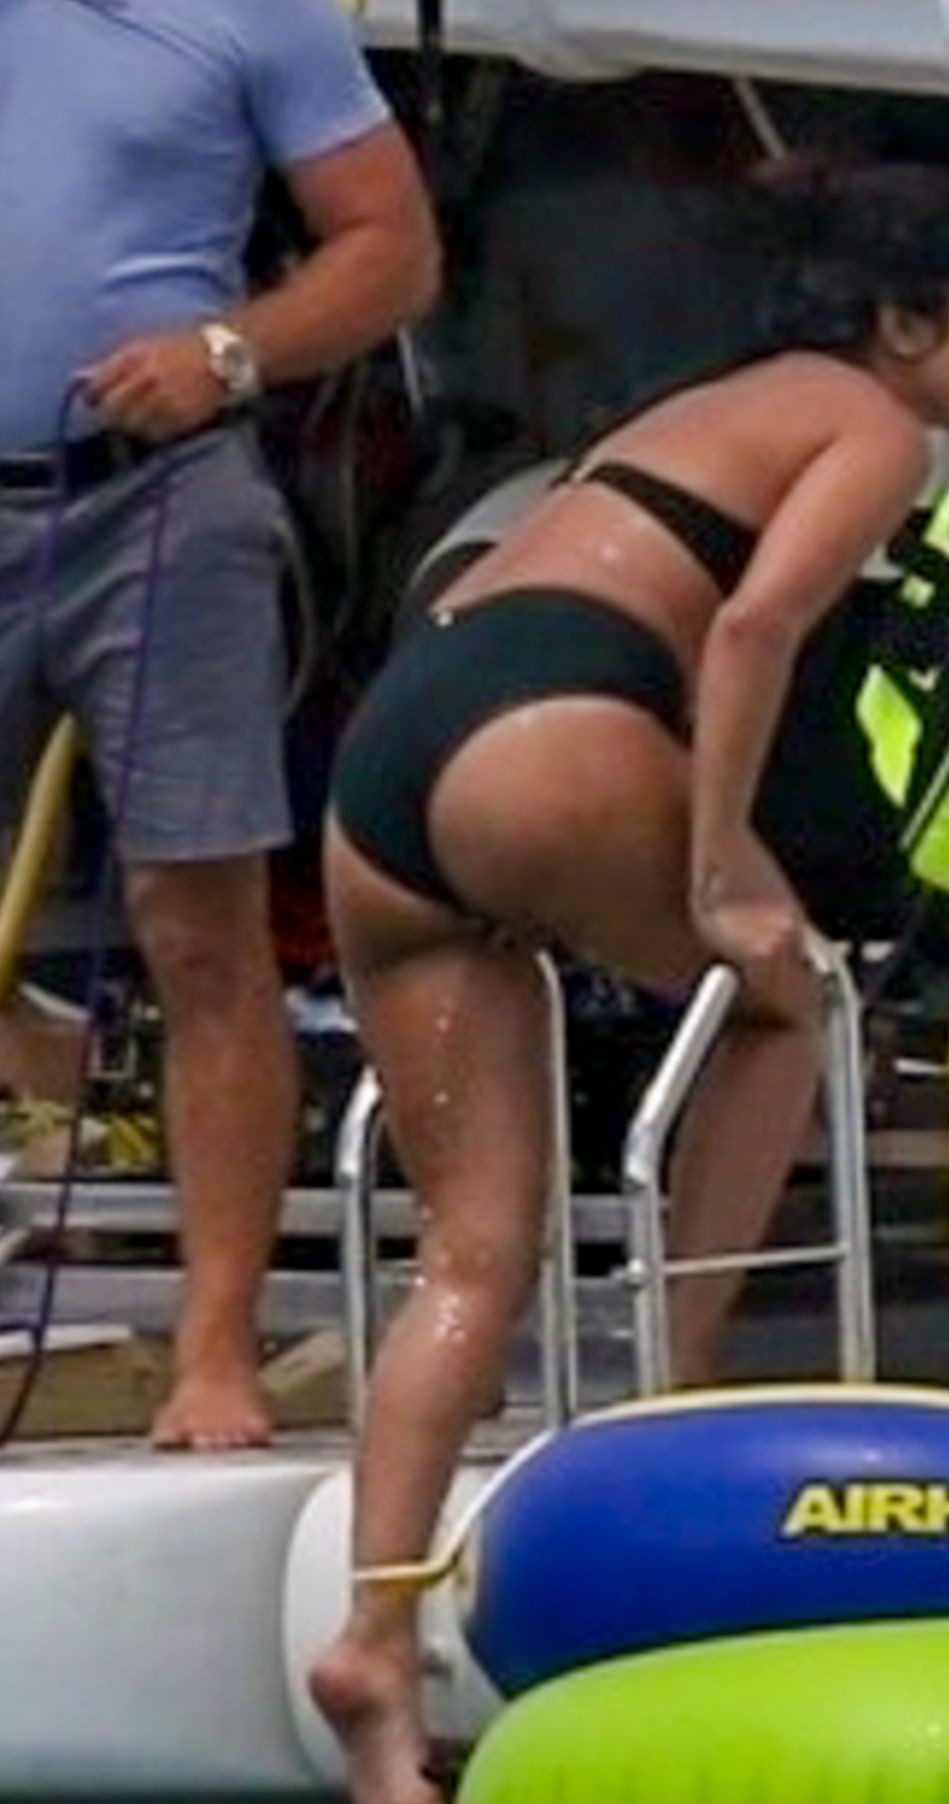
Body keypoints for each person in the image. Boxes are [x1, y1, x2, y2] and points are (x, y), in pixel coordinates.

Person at [309, 162, 949, 1804]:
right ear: (899, 321)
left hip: (402, 747)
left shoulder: (712, 401)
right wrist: (719, 869)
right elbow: (755, 632)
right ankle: (671, 1406)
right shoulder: (866, 422)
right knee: (793, 1000)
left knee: (472, 1254)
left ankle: (372, 1642)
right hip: (555, 719)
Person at [0, 0, 441, 1447]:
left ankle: (213, 1349)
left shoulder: (253, 10)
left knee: (200, 925)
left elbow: (392, 247)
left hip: (160, 491)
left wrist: (230, 348)